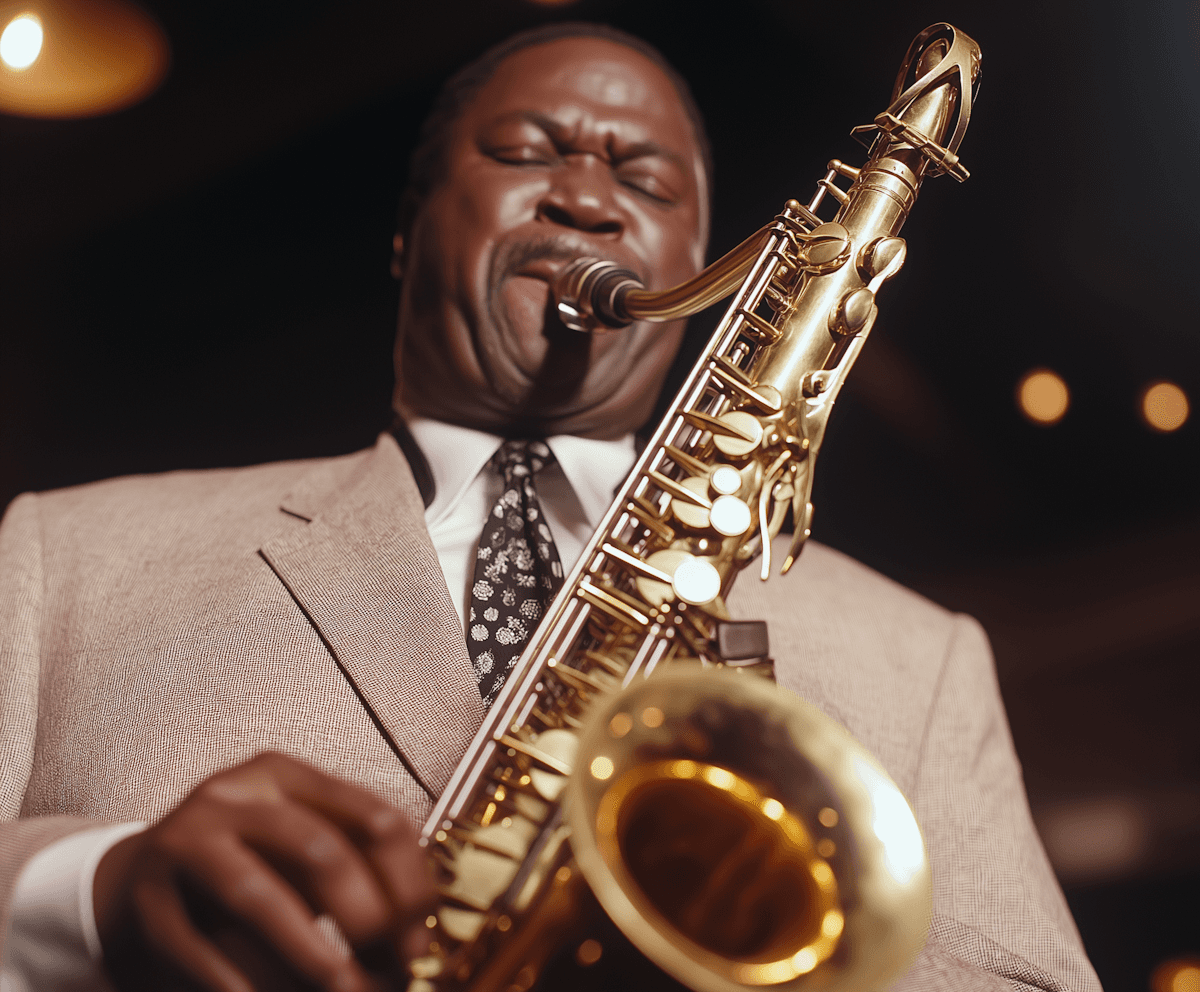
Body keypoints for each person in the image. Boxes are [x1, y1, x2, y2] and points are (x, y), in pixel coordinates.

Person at [0, 21, 1100, 992]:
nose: (585, 196)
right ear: (408, 230)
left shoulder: (928, 653)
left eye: (649, 184)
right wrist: (91, 892)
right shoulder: (66, 549)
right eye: (526, 152)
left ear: (712, 262)